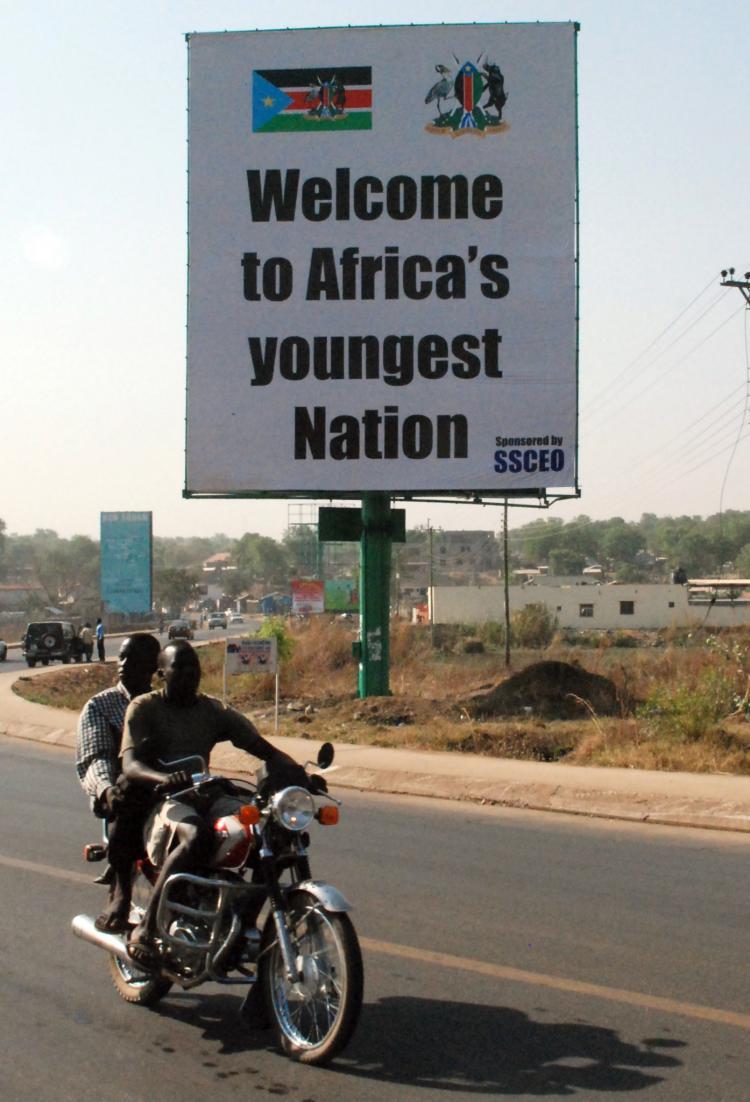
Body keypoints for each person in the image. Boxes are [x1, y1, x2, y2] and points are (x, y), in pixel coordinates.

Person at [120, 639, 308, 969]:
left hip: (208, 794)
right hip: (165, 800)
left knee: (271, 833)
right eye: (179, 667)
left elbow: (260, 747)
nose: (189, 674)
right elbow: (130, 765)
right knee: (197, 835)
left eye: (194, 667)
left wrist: (299, 774)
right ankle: (147, 929)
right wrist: (164, 778)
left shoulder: (211, 710)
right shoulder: (144, 707)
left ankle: (243, 924)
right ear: (161, 673)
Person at [75, 633, 162, 931]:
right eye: (122, 657)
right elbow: (95, 758)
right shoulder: (101, 706)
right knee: (130, 792)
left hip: (166, 788)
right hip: (121, 794)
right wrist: (106, 790)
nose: (123, 664)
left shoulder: (165, 704)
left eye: (134, 658)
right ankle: (122, 894)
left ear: (154, 666)